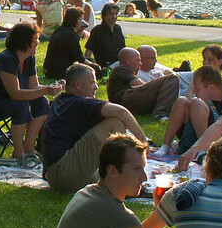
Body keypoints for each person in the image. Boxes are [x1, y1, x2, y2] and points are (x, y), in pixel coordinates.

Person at [47, 134, 178, 228]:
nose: (144, 177)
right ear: (112, 171)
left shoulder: (88, 193)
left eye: (144, 169)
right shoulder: (112, 209)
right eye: (136, 169)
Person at [42, 63, 148, 193]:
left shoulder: (62, 100)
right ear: (78, 85)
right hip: (63, 174)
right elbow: (121, 112)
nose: (96, 87)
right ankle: (122, 178)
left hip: (54, 175)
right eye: (92, 82)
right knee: (115, 122)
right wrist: (143, 143)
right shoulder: (79, 102)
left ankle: (118, 176)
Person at [0, 22, 62, 161]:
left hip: (4, 100)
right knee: (21, 105)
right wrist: (46, 90)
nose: (38, 42)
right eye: (36, 39)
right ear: (25, 41)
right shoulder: (7, 59)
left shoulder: (29, 58)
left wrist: (51, 88)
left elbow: (33, 86)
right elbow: (15, 94)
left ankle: (29, 147)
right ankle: (18, 151)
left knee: (42, 102)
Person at [107, 48, 182, 119]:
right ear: (128, 61)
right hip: (125, 98)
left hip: (127, 101)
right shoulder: (122, 69)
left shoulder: (123, 70)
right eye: (138, 60)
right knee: (172, 78)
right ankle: (160, 114)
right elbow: (140, 84)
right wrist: (158, 86)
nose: (140, 63)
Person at [43, 7, 103, 79]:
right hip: (58, 71)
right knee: (93, 67)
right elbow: (80, 58)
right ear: (76, 20)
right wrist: (94, 66)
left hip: (49, 68)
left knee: (90, 60)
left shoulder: (60, 30)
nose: (82, 21)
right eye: (80, 19)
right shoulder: (71, 35)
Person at [86, 2, 126, 70]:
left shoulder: (117, 29)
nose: (114, 17)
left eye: (116, 14)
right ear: (104, 16)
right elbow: (89, 50)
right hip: (107, 64)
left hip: (120, 62)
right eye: (110, 14)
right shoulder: (98, 30)